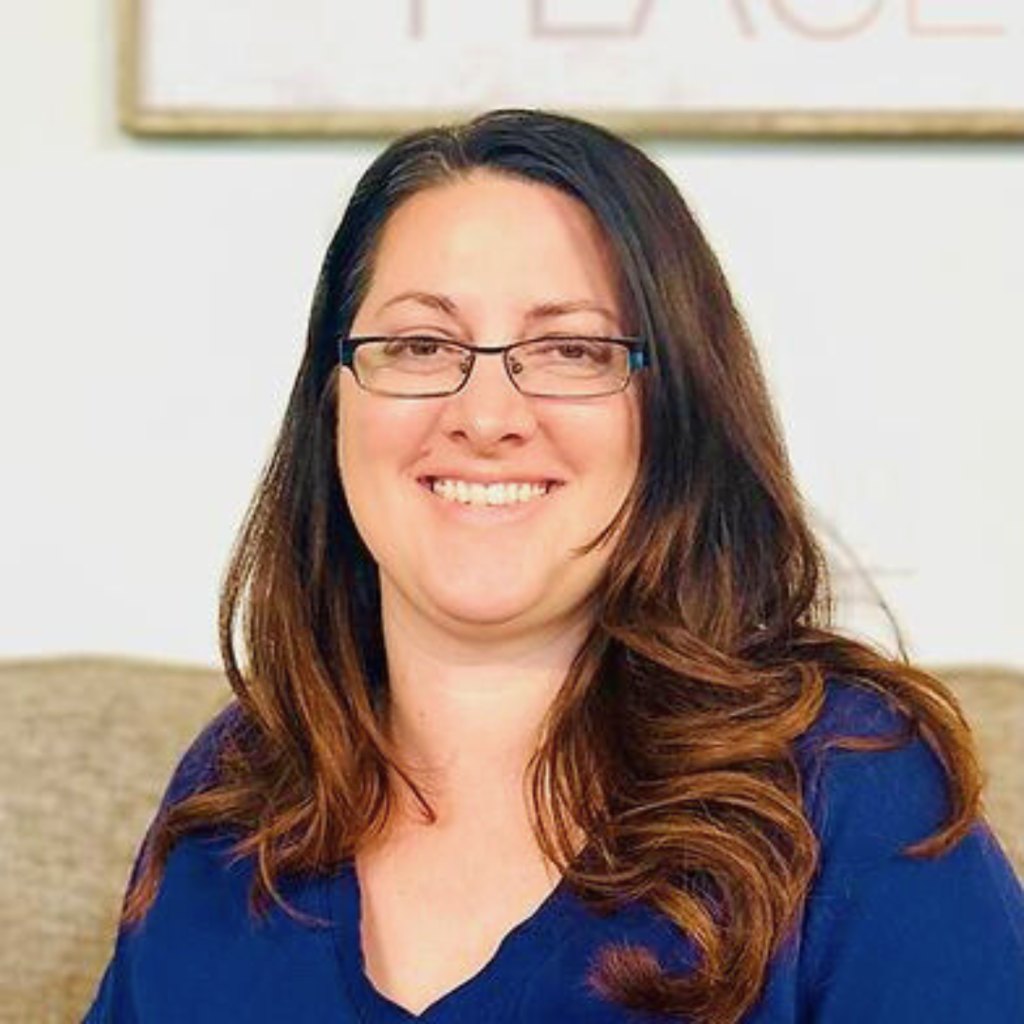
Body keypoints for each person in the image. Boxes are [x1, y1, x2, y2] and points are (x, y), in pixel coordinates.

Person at [84, 108, 1024, 1023]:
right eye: (420, 344)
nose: (486, 415)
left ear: (675, 414)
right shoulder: (240, 786)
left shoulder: (849, 782)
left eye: (570, 349)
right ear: (331, 403)